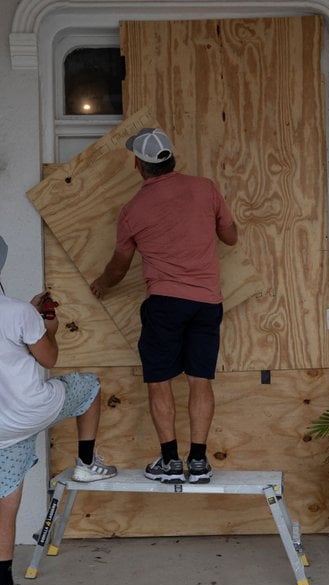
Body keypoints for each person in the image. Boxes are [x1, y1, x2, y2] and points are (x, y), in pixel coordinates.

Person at [0, 232, 116, 585]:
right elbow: (50, 358)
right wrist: (48, 327)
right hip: (36, 406)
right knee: (90, 386)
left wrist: (28, 314)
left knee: (6, 504)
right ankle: (87, 463)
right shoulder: (20, 313)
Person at [90, 127, 238, 485]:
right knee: (200, 381)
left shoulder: (132, 211)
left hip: (164, 304)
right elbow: (230, 237)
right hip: (207, 302)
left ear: (139, 166)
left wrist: (100, 285)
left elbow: (119, 266)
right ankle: (199, 462)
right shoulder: (205, 189)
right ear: (172, 158)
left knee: (159, 382)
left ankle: (170, 461)